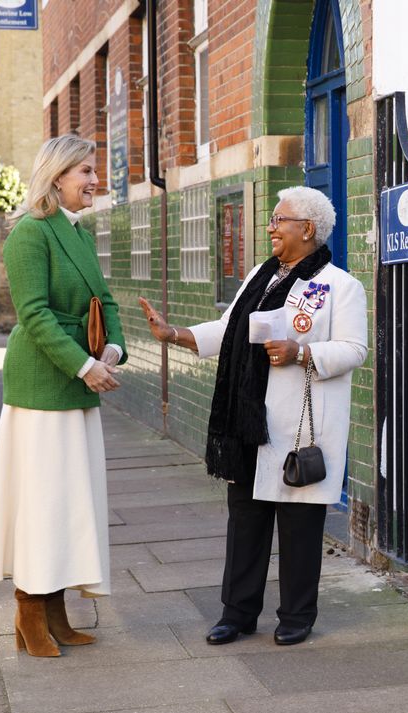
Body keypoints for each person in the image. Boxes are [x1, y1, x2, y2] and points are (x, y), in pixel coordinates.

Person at [139, 186, 367, 646]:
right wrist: (174, 333)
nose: (270, 227)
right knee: (245, 521)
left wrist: (302, 352)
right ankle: (237, 613)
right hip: (248, 423)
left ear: (307, 229)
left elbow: (354, 349)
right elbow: (228, 331)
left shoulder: (341, 287)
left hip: (299, 427)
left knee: (300, 526)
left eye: (279, 220)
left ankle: (296, 617)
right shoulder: (259, 278)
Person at [0, 135, 127, 657]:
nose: (94, 180)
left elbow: (104, 300)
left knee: (72, 500)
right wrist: (85, 366)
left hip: (80, 382)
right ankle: (28, 609)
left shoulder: (80, 234)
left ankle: (57, 611)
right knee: (43, 500)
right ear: (57, 177)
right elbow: (35, 315)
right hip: (43, 387)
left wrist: (112, 349)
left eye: (93, 171)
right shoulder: (28, 234)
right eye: (85, 171)